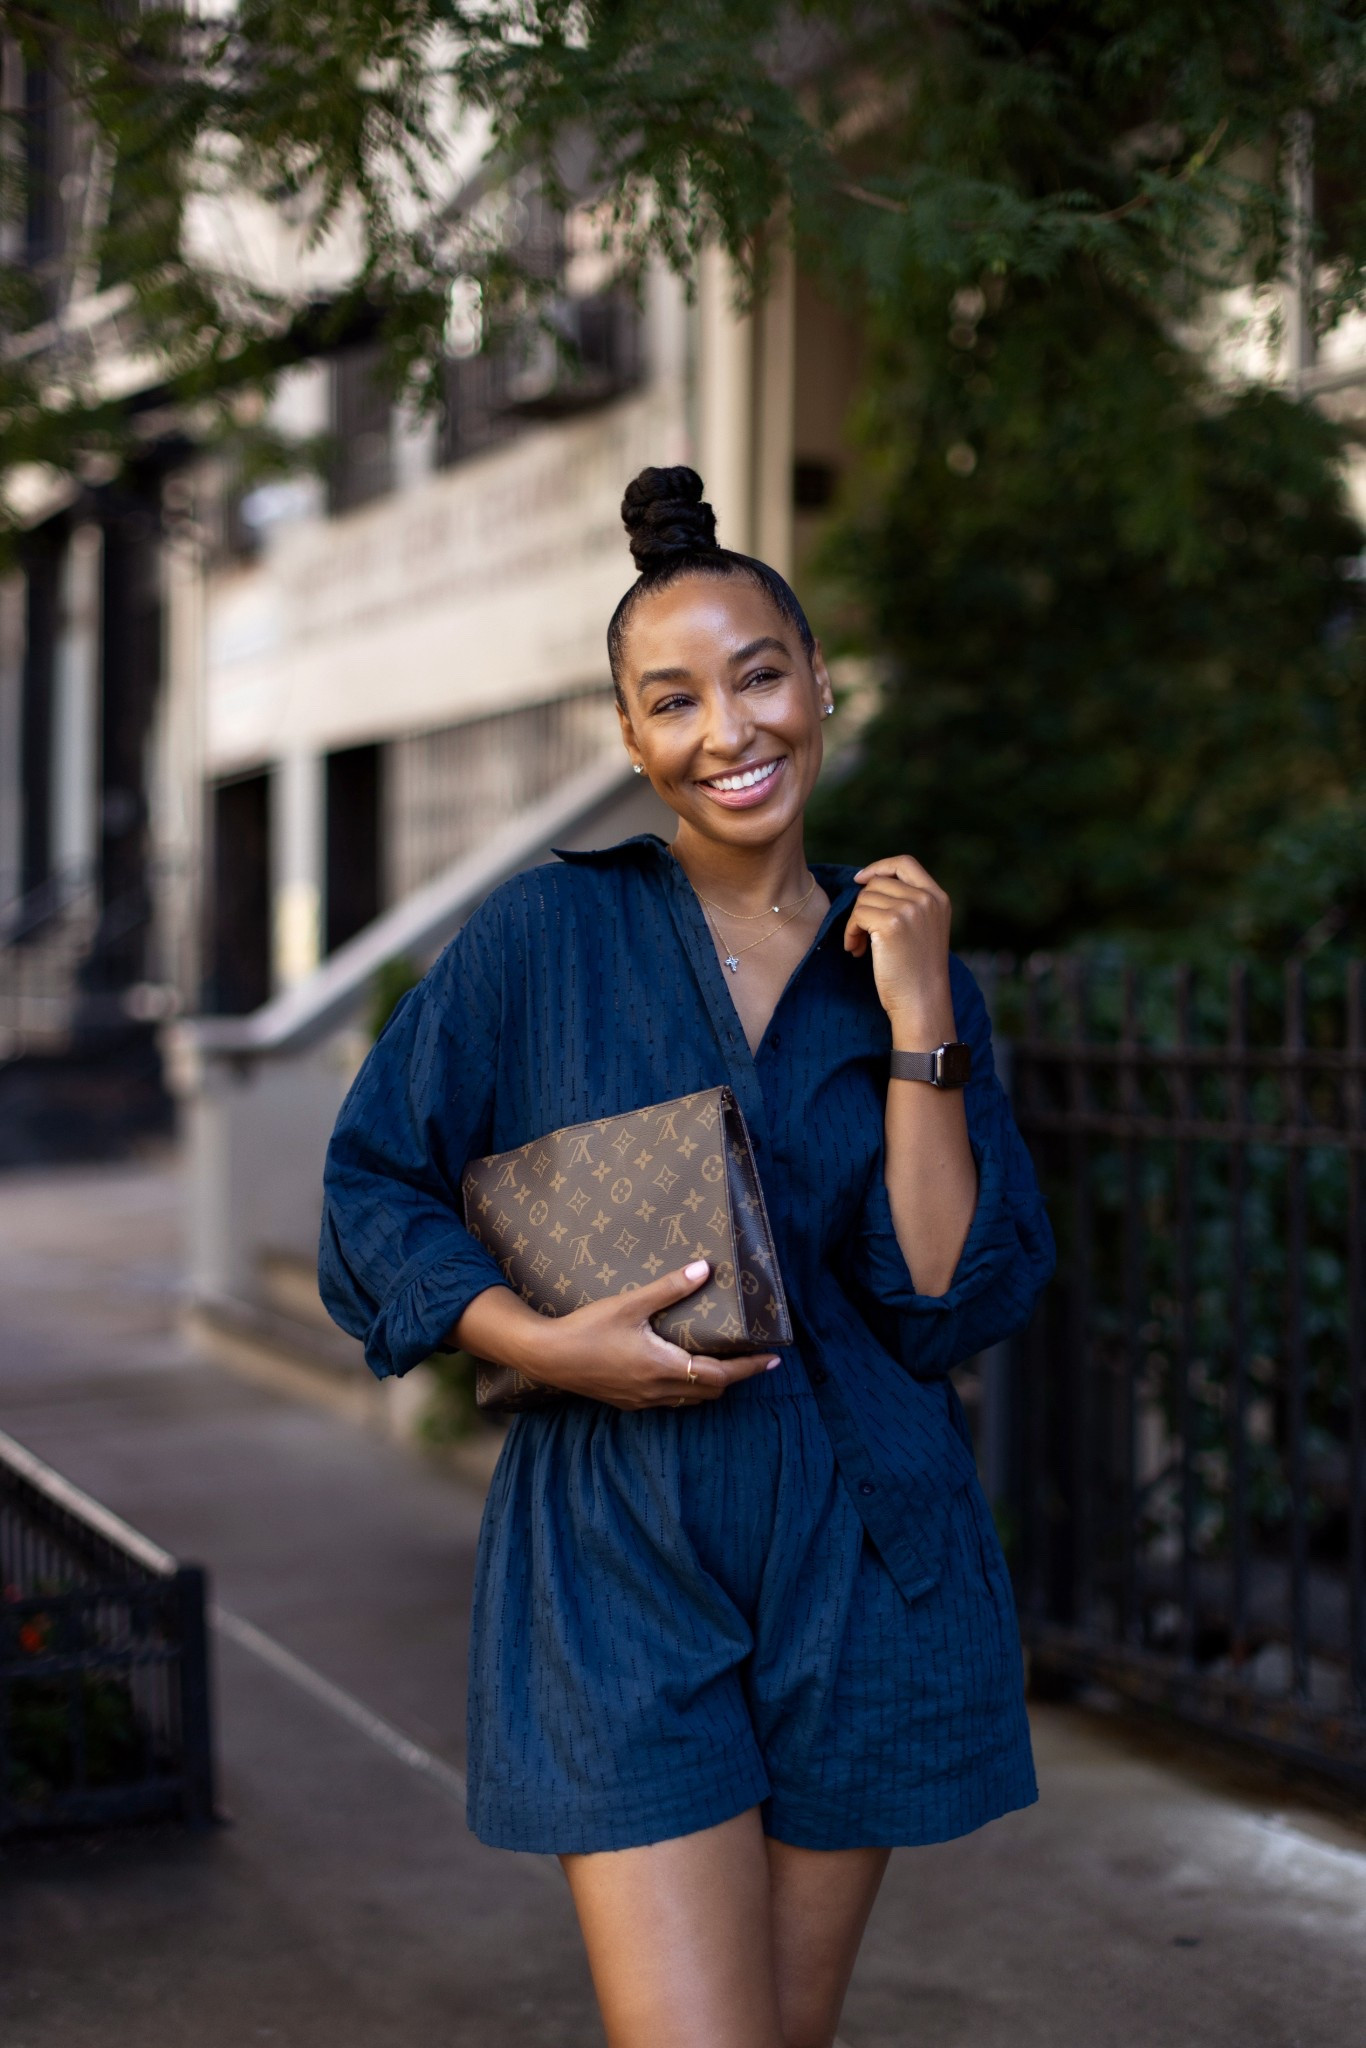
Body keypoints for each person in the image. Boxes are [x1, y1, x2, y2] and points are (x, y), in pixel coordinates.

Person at [319, 464, 1055, 2048]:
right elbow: (373, 1189)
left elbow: (939, 1306)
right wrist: (532, 1341)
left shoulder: (902, 951)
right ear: (632, 739)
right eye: (675, 700)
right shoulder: (543, 937)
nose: (730, 731)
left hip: (861, 1546)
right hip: (619, 1544)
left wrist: (921, 1020)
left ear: (819, 684)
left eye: (760, 675)